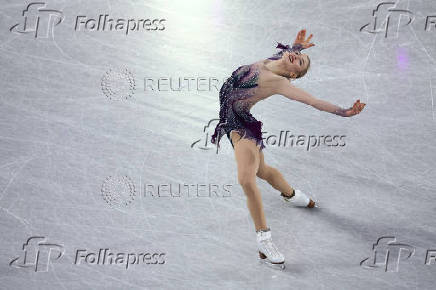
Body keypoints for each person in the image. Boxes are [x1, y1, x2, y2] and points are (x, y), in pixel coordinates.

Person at [210, 29, 365, 268]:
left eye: (300, 62)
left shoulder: (281, 83)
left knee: (246, 179)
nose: (295, 56)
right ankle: (292, 195)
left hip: (241, 125)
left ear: (293, 74)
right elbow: (289, 54)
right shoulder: (273, 60)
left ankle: (264, 239)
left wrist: (345, 112)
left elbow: (313, 101)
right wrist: (298, 47)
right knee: (262, 171)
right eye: (295, 55)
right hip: (229, 118)